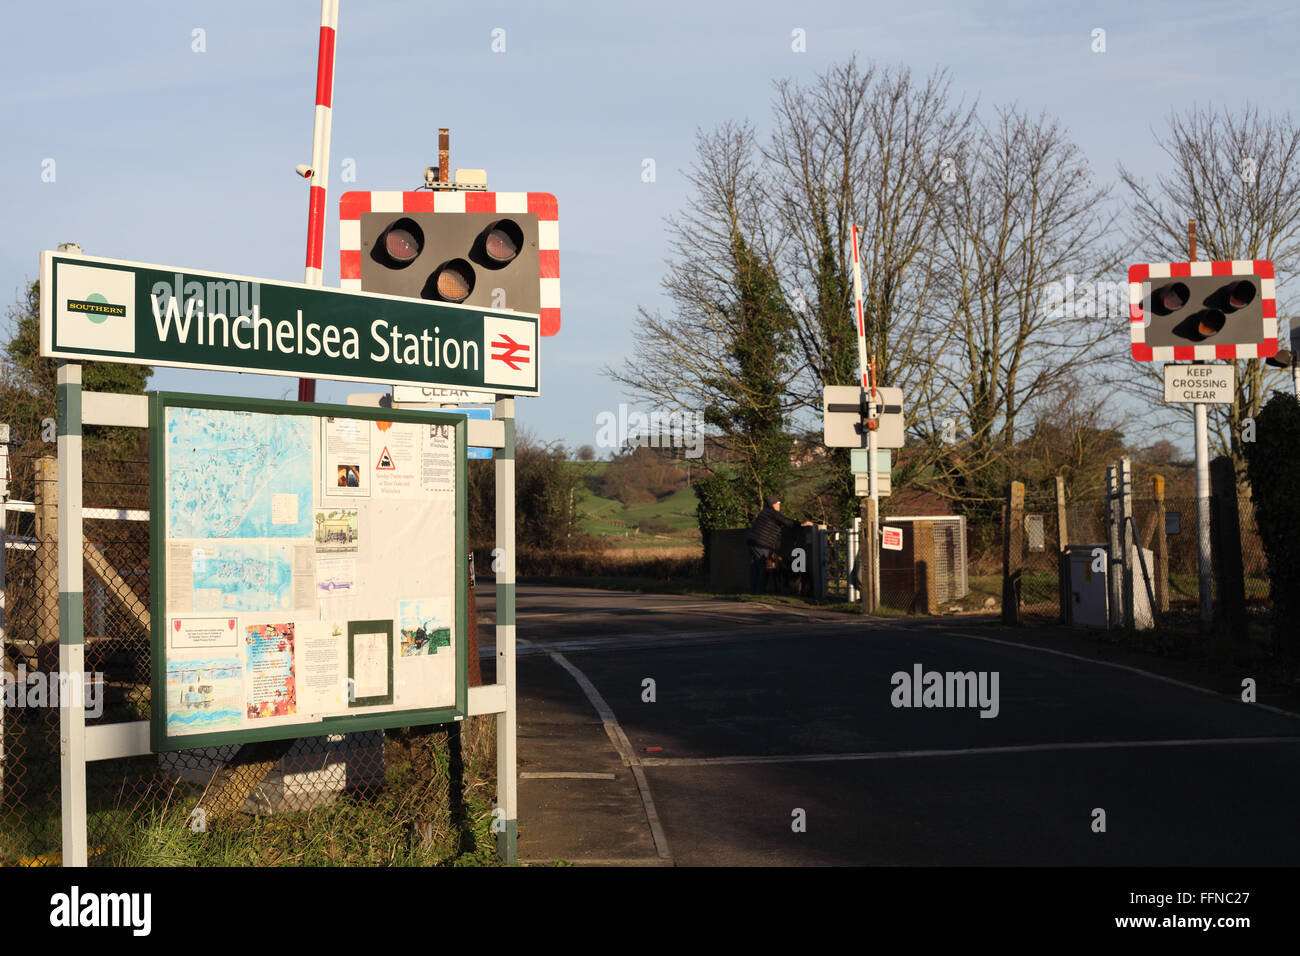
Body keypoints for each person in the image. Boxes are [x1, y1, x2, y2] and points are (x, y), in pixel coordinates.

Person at [746, 495, 814, 594]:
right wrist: (801, 524)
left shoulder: (764, 513)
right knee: (762, 568)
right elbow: (785, 521)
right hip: (761, 544)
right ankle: (759, 592)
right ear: (773, 505)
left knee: (754, 568)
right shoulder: (772, 513)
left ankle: (753, 591)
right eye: (778, 504)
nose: (779, 506)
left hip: (752, 541)